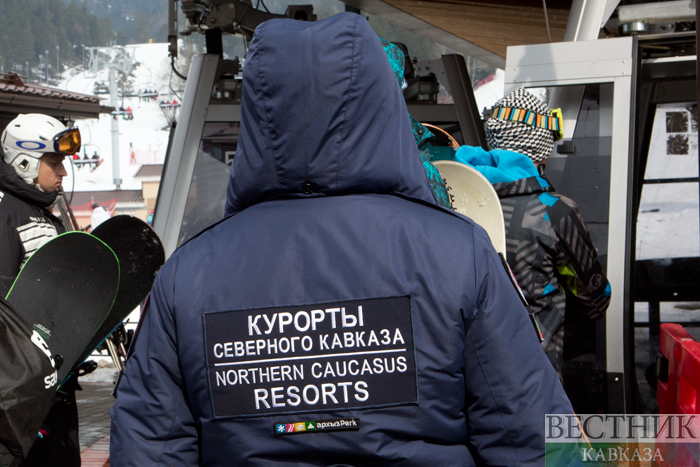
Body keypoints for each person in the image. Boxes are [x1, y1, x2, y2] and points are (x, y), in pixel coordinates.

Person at [110, 14, 573, 466]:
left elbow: (149, 447)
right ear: (382, 101)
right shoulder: (460, 252)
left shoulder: (187, 276)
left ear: (257, 111)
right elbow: (532, 440)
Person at [454, 88, 611, 377]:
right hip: (532, 380)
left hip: (462, 378)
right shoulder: (554, 211)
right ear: (542, 149)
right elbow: (595, 301)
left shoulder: (447, 196)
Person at [0, 113, 82, 466]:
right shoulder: (6, 212)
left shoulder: (44, 213)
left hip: (55, 380)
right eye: (55, 162)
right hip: (22, 390)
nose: (63, 172)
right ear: (25, 162)